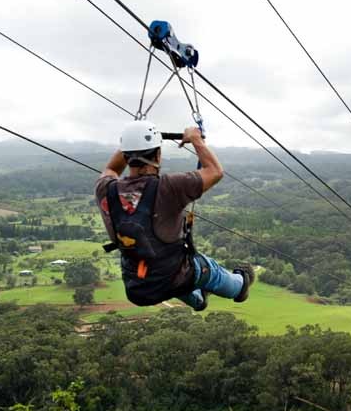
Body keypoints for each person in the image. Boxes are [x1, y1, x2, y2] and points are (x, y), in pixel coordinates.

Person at [95, 120, 254, 311]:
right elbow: (215, 171)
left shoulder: (105, 189)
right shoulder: (169, 187)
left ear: (126, 154)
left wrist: (131, 142)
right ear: (158, 154)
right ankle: (240, 286)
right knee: (207, 269)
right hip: (173, 277)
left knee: (169, 271)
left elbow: (111, 169)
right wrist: (196, 139)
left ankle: (198, 300)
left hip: (137, 287)